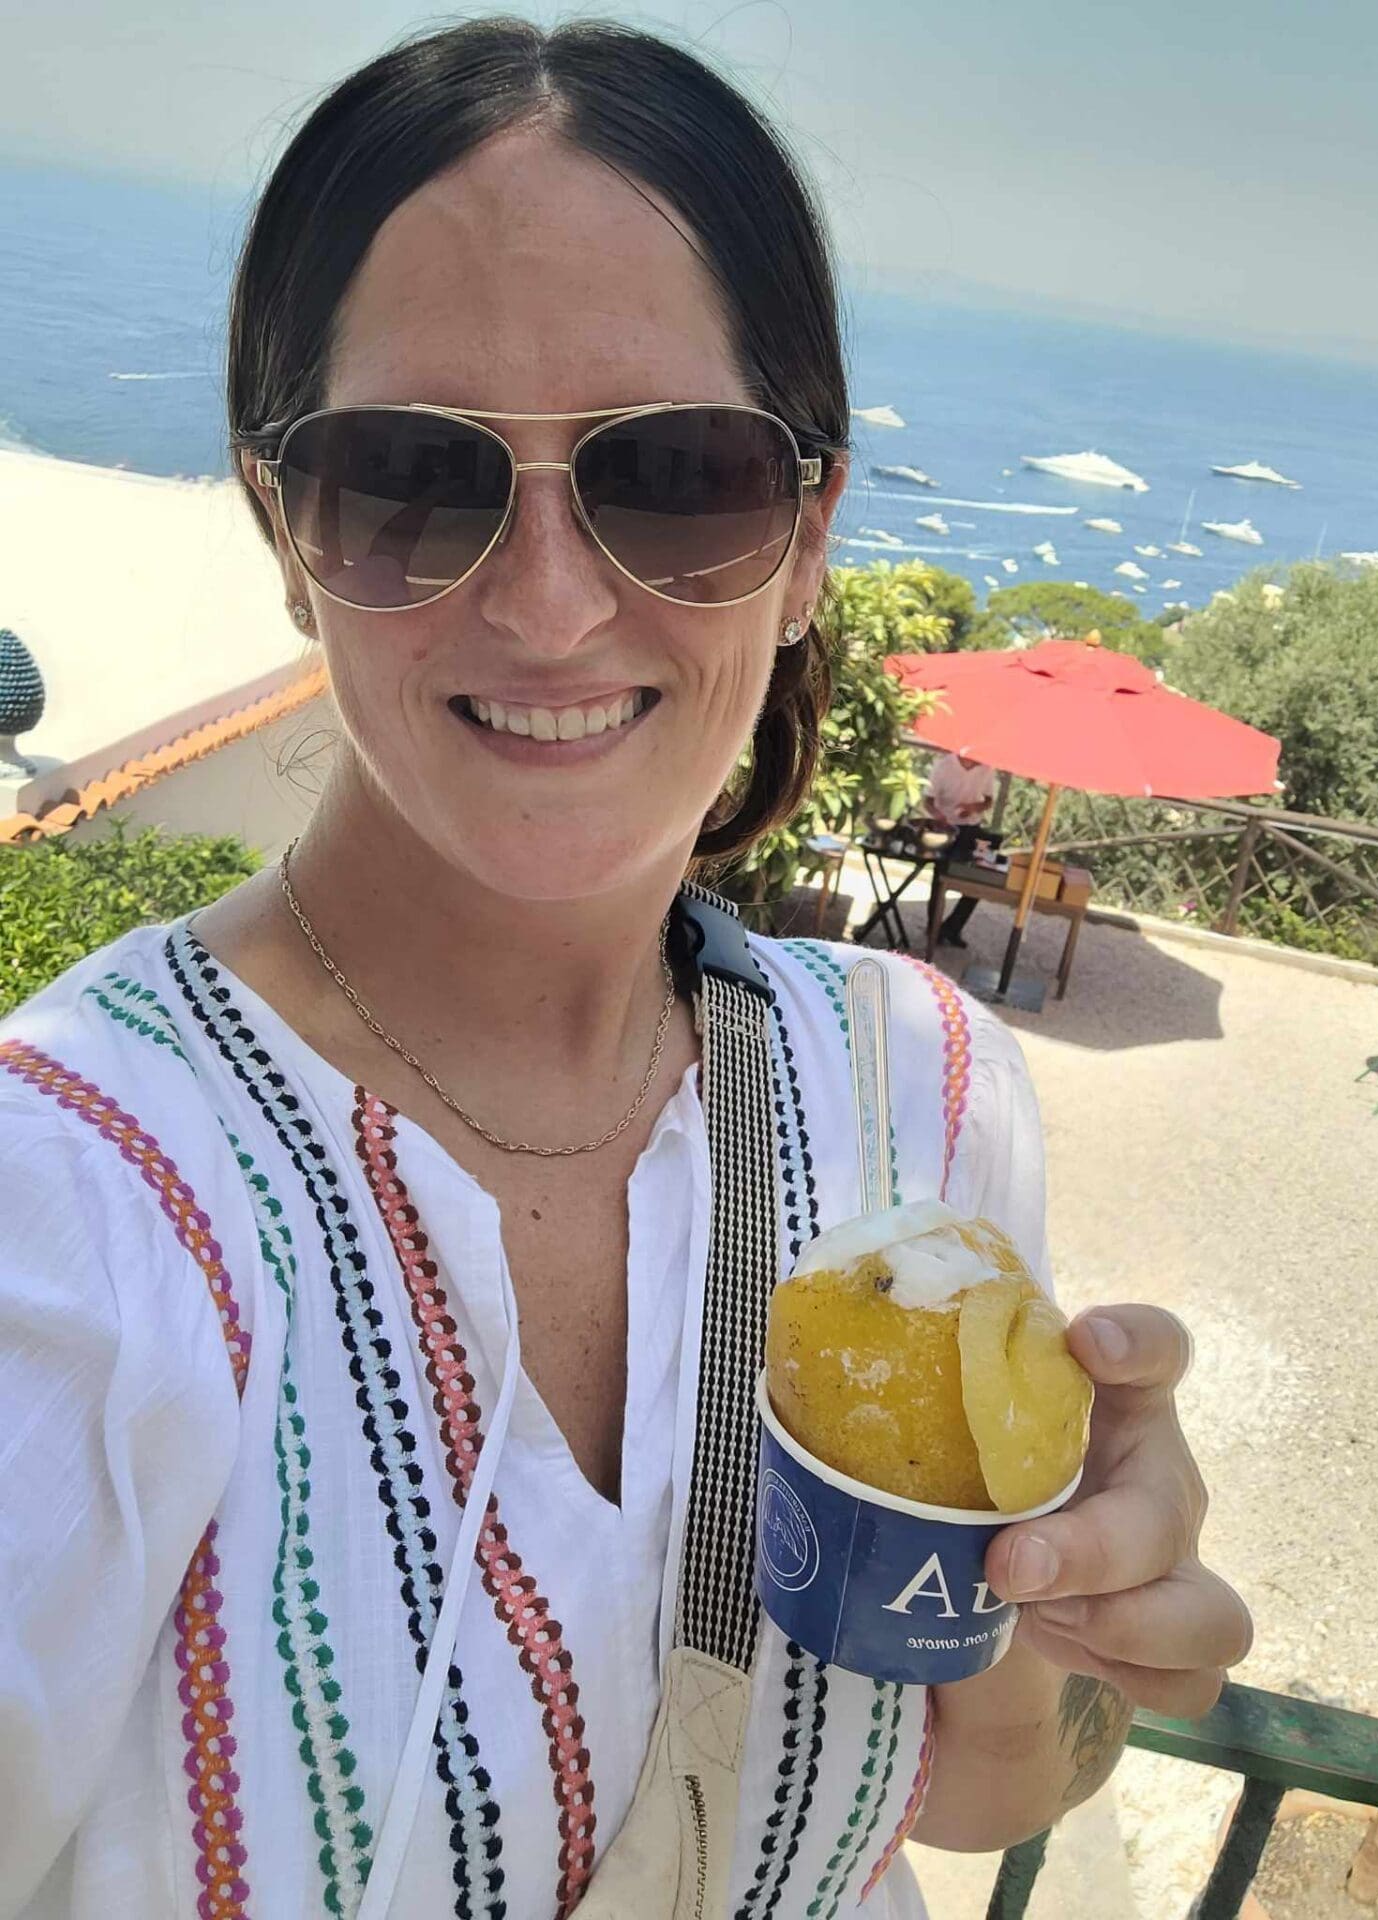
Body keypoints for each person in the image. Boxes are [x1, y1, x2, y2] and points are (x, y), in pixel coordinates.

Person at [0, 20, 1251, 1919]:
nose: (553, 601)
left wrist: (1060, 1612)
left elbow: (976, 1800)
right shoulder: (72, 1216)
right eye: (412, 474)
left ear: (812, 531)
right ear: (282, 527)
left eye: (679, 473)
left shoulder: (914, 1088)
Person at [923, 753, 999, 946]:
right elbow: (928, 800)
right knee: (940, 879)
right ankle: (933, 928)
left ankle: (953, 928)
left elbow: (989, 800)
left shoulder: (987, 768)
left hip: (971, 828)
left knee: (977, 881)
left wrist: (974, 807)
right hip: (944, 826)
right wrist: (938, 815)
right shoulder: (943, 765)